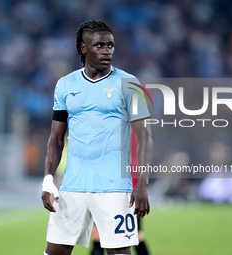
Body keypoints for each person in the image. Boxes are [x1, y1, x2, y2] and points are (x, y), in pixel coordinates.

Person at [41, 20, 153, 255]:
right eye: (99, 45)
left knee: (119, 252)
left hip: (115, 188)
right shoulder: (65, 85)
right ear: (84, 48)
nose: (107, 51)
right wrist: (48, 180)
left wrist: (142, 182)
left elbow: (145, 136)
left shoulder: (129, 83)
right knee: (55, 251)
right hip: (73, 186)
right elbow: (56, 139)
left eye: (110, 45)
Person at [91, 127, 150, 255]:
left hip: (114, 181)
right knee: (135, 234)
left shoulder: (114, 119)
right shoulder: (135, 120)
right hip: (131, 181)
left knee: (99, 233)